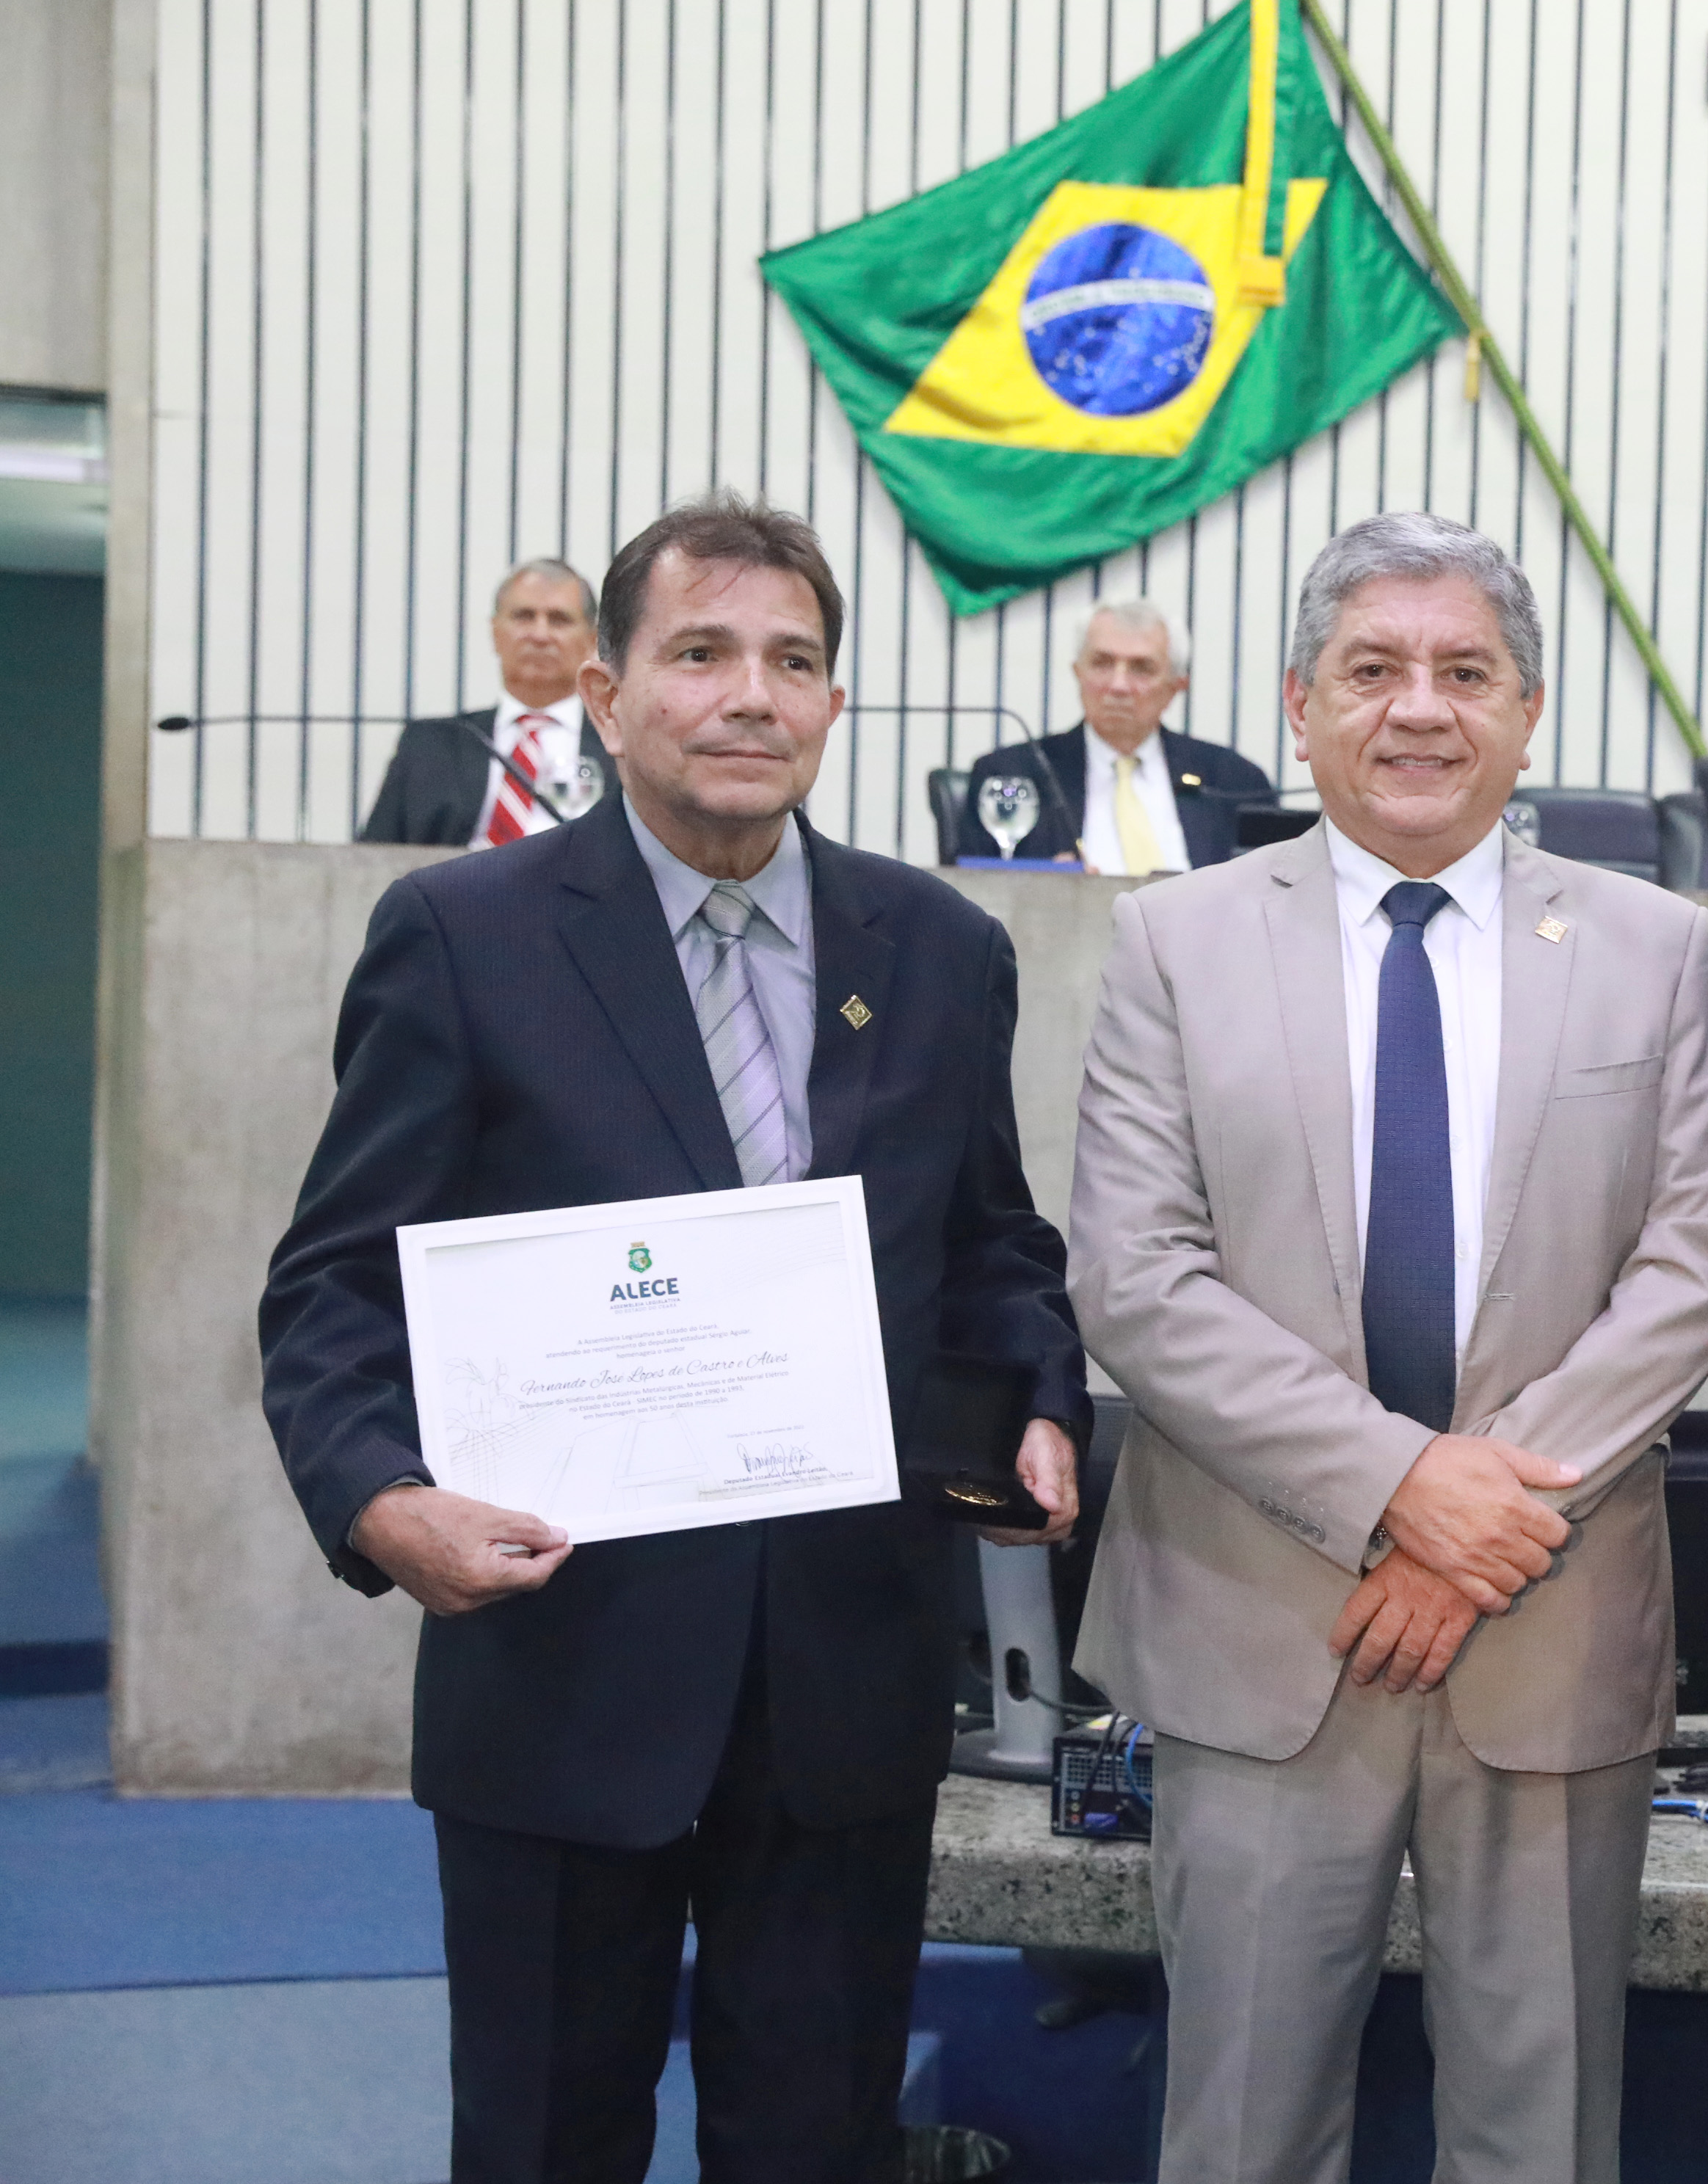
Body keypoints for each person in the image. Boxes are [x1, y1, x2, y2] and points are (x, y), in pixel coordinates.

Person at [260, 495, 1090, 2184]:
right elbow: (334, 1284)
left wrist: (1035, 1399)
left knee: (818, 2143)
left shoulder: (941, 952)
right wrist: (381, 1502)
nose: (749, 696)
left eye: (792, 660)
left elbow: (990, 1244)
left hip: (845, 1683)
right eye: (700, 652)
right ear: (609, 694)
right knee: (544, 2141)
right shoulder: (463, 935)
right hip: (562, 1667)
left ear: (834, 704)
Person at [1067, 512, 1708, 2184]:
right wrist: (1401, 1490)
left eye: (1466, 671)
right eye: (1372, 669)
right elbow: (1135, 1279)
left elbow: (1694, 1260)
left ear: (1528, 713)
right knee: (1240, 2137)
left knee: (1541, 2140)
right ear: (1299, 704)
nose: (1420, 708)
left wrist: (1477, 1527)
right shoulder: (1175, 941)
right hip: (1260, 1629)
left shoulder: (1655, 948)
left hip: (1546, 1622)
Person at [953, 599, 1272, 870]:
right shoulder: (1013, 775)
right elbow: (975, 898)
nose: (1118, 686)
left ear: (1177, 686)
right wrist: (1043, 887)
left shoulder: (1233, 783)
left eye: (1142, 668)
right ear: (1078, 673)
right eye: (1102, 663)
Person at [360, 558, 619, 846]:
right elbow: (373, 854)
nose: (540, 635)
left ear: (591, 639)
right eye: (524, 617)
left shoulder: (622, 744)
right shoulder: (432, 743)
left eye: (559, 620)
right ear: (495, 632)